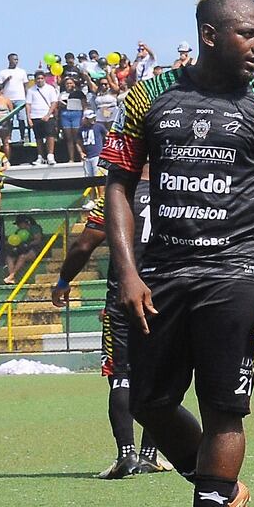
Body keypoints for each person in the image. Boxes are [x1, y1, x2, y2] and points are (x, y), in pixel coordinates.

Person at [102, 0, 254, 507]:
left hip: (237, 274)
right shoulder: (148, 96)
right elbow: (117, 184)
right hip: (162, 273)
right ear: (210, 35)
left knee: (224, 407)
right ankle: (224, 491)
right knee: (148, 404)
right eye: (249, 36)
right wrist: (129, 272)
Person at [51, 185, 166, 478]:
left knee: (122, 377)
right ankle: (151, 455)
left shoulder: (118, 194)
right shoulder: (174, 188)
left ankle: (126, 456)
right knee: (160, 378)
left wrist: (63, 281)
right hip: (166, 299)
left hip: (124, 299)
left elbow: (85, 245)